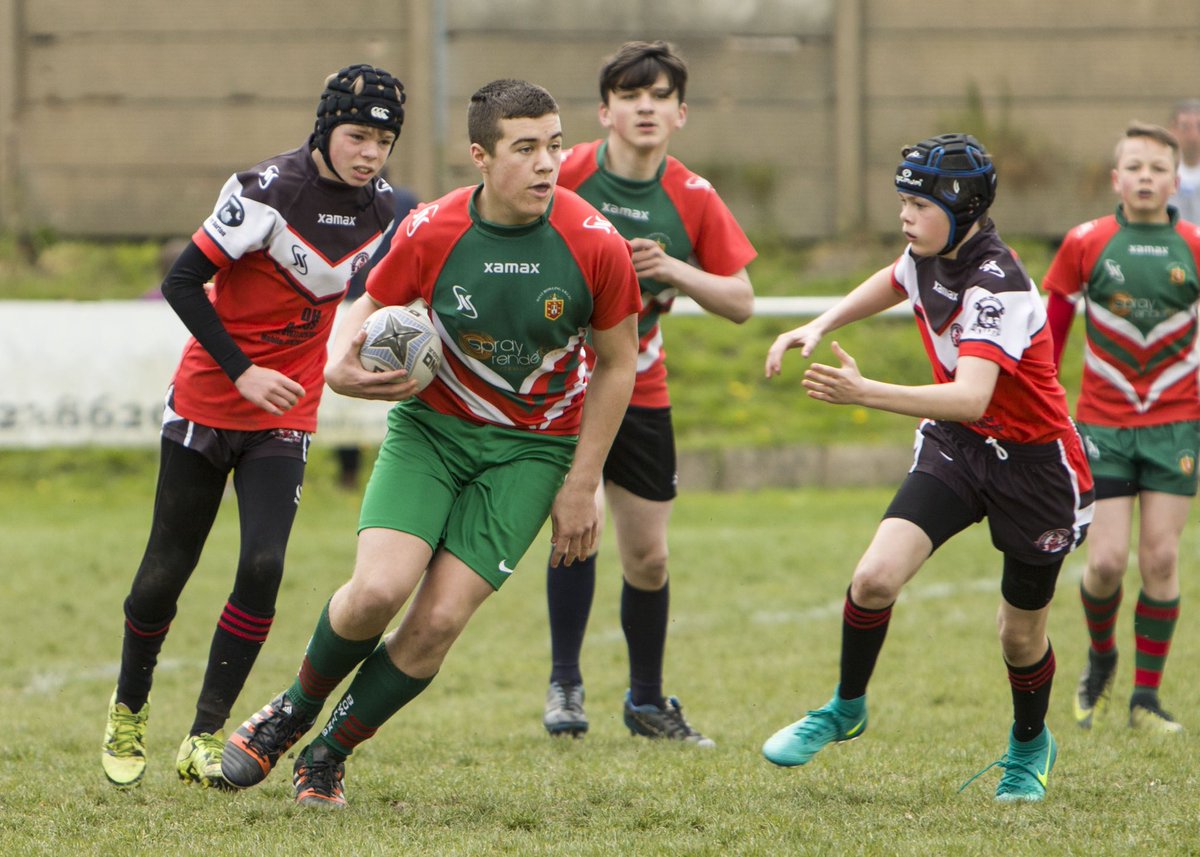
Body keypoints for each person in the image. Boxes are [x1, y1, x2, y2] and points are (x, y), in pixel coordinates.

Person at [219, 79, 641, 809]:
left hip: (531, 451)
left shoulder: (594, 243)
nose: (548, 163)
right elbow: (369, 300)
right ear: (480, 156)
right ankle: (292, 706)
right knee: (376, 591)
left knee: (438, 622)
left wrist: (581, 480)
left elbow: (618, 361)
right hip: (431, 430)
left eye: (555, 145)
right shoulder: (433, 228)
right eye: (526, 148)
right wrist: (341, 359)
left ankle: (328, 753)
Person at [760, 133, 1095, 803]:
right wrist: (818, 323)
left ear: (962, 208)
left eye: (918, 203)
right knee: (873, 577)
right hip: (960, 447)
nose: (905, 216)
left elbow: (972, 394)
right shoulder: (927, 255)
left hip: (1035, 471)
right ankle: (845, 707)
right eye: (902, 201)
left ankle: (1030, 744)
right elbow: (894, 280)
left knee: (1019, 631)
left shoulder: (997, 286)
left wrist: (865, 392)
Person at [100, 63, 406, 789]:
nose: (370, 151)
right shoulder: (264, 191)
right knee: (164, 572)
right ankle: (128, 707)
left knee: (265, 567)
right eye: (358, 134)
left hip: (286, 411)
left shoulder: (384, 207)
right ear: (327, 127)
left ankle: (204, 734)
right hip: (209, 399)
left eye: (384, 140)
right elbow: (181, 283)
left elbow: (384, 287)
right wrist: (240, 370)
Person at [540, 40, 756, 745]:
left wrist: (674, 268)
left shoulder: (691, 197)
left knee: (650, 557)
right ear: (604, 112)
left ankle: (645, 700)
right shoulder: (564, 175)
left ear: (681, 114)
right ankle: (565, 682)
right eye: (631, 95)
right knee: (578, 523)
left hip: (643, 382)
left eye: (660, 96)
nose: (645, 107)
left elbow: (742, 300)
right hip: (563, 381)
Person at [1044, 122, 1200, 735]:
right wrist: (1043, 404)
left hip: (1174, 426)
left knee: (1160, 557)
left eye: (1157, 169)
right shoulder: (1085, 242)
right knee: (1105, 562)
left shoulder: (1193, 245)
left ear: (1175, 180)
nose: (1144, 177)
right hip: (1102, 426)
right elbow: (1050, 335)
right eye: (1133, 167)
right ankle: (1102, 655)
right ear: (1116, 178)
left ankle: (1146, 699)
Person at [334, 182, 420, 490]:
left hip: (392, 309)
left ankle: (378, 468)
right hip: (351, 306)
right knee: (347, 388)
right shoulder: (336, 200)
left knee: (398, 384)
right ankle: (349, 471)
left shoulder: (404, 200)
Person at [1169, 100, 1200, 224]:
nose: (1192, 135)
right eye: (1184, 127)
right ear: (1172, 130)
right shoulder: (1161, 173)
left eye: (1199, 127)